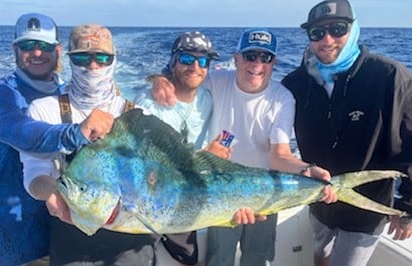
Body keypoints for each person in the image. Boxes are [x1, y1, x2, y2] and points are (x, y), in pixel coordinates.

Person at [151, 28, 336, 266]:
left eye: (265, 58)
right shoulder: (216, 80)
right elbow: (184, 74)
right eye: (250, 56)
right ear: (236, 59)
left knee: (259, 259)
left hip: (264, 193)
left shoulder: (283, 98)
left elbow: (280, 156)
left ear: (274, 63)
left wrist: (307, 170)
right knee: (220, 258)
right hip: (220, 191)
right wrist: (159, 80)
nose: (257, 64)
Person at [280, 1, 412, 265]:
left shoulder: (388, 76)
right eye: (317, 33)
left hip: (366, 208)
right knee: (320, 258)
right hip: (317, 202)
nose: (326, 39)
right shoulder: (294, 83)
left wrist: (408, 204)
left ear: (353, 30)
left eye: (337, 29)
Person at [0, 13, 113, 266]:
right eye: (27, 46)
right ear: (15, 50)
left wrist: (161, 80)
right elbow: (15, 130)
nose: (36, 53)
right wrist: (76, 132)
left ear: (58, 50)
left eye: (44, 46)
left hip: (55, 232)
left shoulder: (64, 93)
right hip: (5, 237)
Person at [135, 31, 230, 266]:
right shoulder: (147, 103)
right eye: (187, 59)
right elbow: (144, 166)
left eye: (203, 61)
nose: (195, 67)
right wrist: (203, 158)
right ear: (173, 62)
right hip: (150, 205)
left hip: (188, 199)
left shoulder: (207, 98)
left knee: (191, 257)